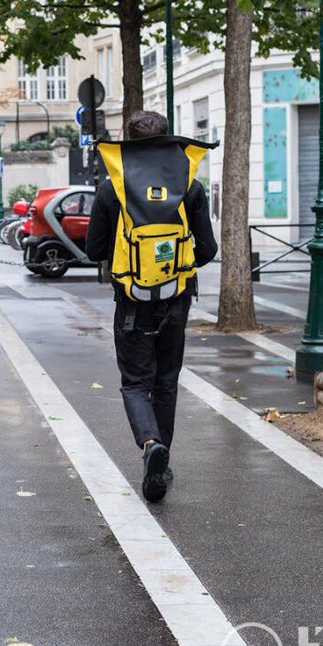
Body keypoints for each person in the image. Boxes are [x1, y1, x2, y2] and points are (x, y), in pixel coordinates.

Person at [85, 110, 218, 504]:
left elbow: (94, 249)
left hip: (131, 302)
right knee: (166, 380)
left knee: (135, 381)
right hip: (176, 299)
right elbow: (208, 249)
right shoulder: (188, 186)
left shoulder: (113, 188)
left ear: (128, 142)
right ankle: (164, 459)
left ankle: (149, 443)